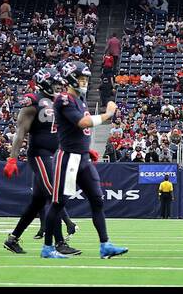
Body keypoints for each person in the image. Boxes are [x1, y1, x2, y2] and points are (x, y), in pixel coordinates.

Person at [42, 60, 127, 259]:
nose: (85, 81)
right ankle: (47, 248)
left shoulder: (79, 100)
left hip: (82, 159)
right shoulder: (64, 99)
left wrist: (88, 150)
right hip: (69, 159)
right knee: (58, 203)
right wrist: (107, 114)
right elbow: (82, 122)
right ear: (71, 78)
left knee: (97, 200)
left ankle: (105, 244)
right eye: (82, 77)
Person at [2, 67, 78, 255]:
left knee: (37, 202)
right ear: (44, 82)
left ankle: (12, 239)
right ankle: (59, 243)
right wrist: (12, 159)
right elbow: (20, 133)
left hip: (54, 154)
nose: (58, 86)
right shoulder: (33, 101)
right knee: (55, 196)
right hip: (39, 154)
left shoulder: (60, 101)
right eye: (54, 82)